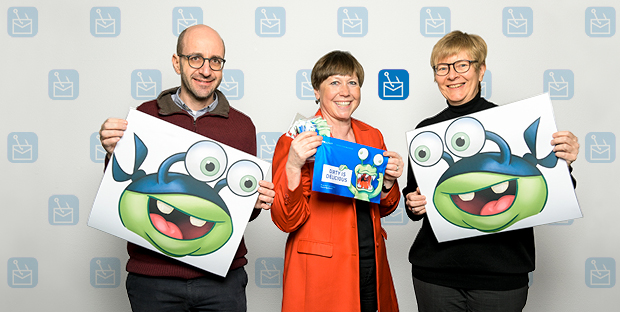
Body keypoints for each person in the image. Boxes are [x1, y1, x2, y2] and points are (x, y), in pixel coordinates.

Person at [98, 24, 275, 312]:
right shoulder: (145, 116)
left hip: (222, 282)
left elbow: (242, 212)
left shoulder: (242, 126)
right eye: (196, 58)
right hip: (153, 280)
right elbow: (120, 189)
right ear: (176, 62)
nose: (206, 70)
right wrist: (111, 153)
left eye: (215, 61)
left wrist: (254, 202)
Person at [403, 30, 580, 312]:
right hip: (436, 275)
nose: (452, 75)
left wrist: (564, 163)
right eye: (442, 68)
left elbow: (555, 194)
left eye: (462, 65)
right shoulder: (426, 132)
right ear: (435, 76)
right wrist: (413, 204)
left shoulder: (515, 125)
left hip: (501, 275)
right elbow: (417, 202)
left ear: (481, 70)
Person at [270, 50, 403, 312]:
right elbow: (285, 220)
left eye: (352, 82)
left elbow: (384, 207)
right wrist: (294, 165)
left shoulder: (372, 136)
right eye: (334, 82)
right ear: (317, 92)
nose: (345, 91)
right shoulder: (296, 140)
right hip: (321, 272)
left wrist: (387, 182)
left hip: (370, 267)